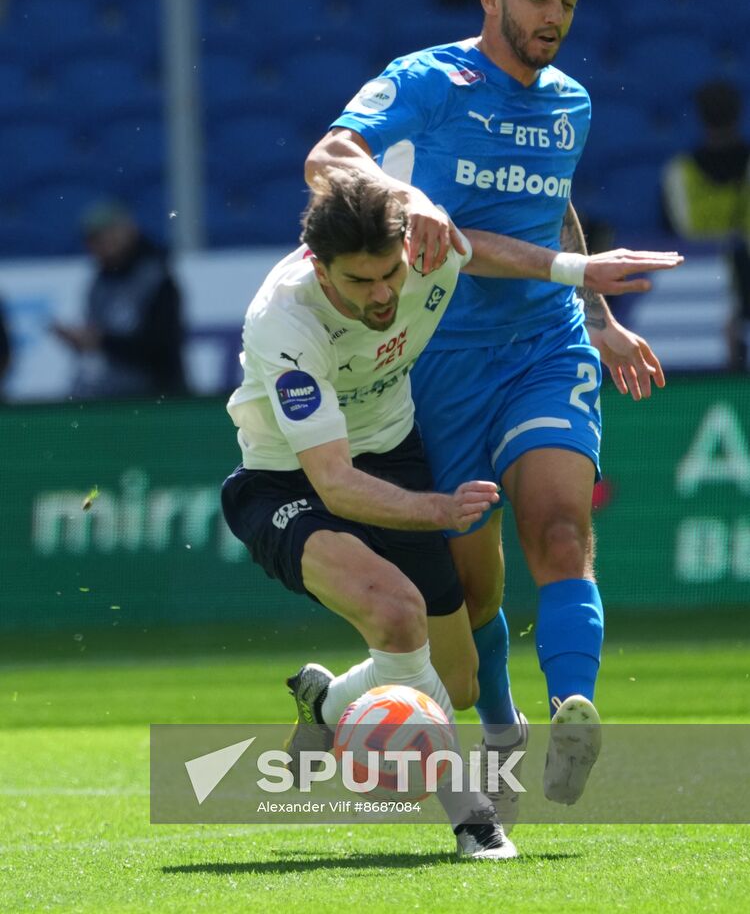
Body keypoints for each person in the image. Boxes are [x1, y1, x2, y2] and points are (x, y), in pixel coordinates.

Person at [306, 0, 670, 814]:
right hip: (438, 360)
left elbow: (559, 213)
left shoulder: (571, 103)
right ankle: (501, 725)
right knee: (474, 590)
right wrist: (413, 201)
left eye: (570, 0)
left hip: (545, 343)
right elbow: (329, 157)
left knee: (558, 529)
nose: (556, 15)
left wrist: (597, 315)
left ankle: (573, 707)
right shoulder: (429, 79)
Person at [220, 170, 680, 856]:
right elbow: (336, 484)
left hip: (394, 457)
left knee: (456, 685)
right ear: (319, 266)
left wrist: (583, 285)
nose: (381, 296)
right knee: (397, 612)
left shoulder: (427, 252)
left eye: (389, 277)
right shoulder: (282, 323)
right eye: (359, 283)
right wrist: (436, 507)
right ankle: (473, 818)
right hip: (290, 482)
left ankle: (327, 702)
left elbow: (496, 248)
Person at [51, 200, 187, 398]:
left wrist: (101, 341)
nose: (101, 245)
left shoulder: (157, 279)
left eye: (107, 235)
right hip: (111, 393)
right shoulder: (99, 283)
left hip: (154, 394)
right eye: (94, 239)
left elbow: (161, 346)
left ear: (127, 230)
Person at [662, 79, 750, 370]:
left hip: (697, 292)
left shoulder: (678, 172)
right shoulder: (680, 171)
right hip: (709, 284)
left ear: (701, 118)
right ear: (738, 114)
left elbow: (673, 236)